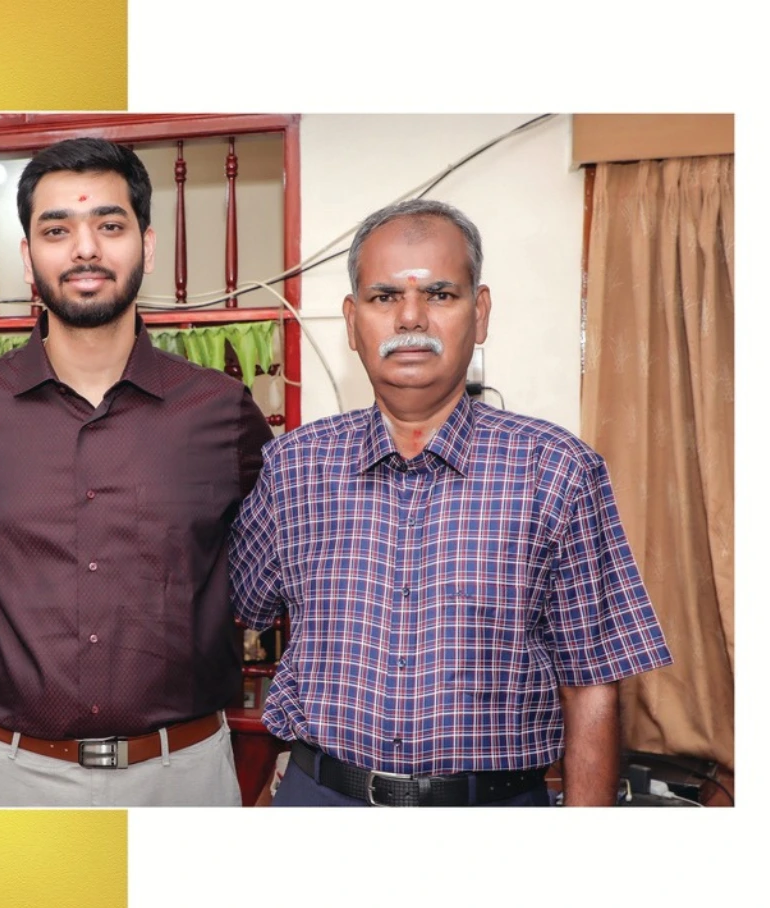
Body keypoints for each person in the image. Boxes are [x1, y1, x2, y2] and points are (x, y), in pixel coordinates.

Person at [229, 199, 673, 807]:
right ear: (353, 321)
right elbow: (238, 604)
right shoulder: (295, 467)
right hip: (322, 797)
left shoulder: (559, 471)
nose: (411, 318)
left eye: (440, 294)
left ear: (480, 312)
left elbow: (592, 682)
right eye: (385, 298)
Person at [0, 137, 273, 806]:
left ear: (147, 246)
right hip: (8, 778)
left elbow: (283, 567)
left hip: (184, 775)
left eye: (109, 224)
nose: (85, 248)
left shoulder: (220, 412)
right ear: (27, 256)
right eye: (57, 229)